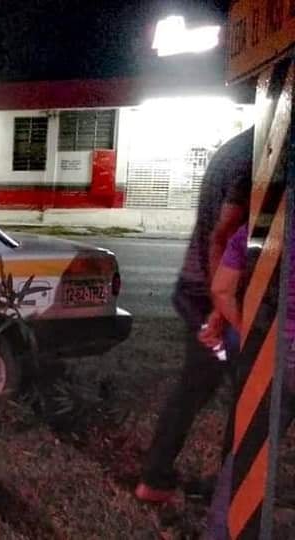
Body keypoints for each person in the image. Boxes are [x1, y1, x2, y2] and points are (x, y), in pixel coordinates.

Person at [135, 127, 255, 504]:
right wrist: (222, 309)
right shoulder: (258, 155)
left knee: (198, 387)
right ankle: (227, 491)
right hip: (216, 295)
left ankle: (160, 479)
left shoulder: (238, 148)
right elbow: (224, 233)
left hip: (203, 290)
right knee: (249, 393)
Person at [203, 223, 295, 539]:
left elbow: (221, 289)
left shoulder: (263, 225)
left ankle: (222, 533)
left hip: (275, 352)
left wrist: (246, 328)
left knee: (249, 453)